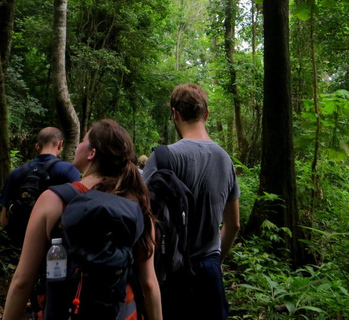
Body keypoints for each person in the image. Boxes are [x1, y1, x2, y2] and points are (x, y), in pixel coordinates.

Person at [3, 119, 162, 320]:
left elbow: (22, 281)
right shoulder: (136, 204)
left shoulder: (53, 201)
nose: (77, 145)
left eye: (83, 141)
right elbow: (149, 283)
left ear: (91, 153)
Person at [143, 83, 241, 320]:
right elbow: (234, 224)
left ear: (174, 114)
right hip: (209, 271)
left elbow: (142, 217)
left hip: (170, 271)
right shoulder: (225, 159)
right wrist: (216, 260)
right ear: (206, 114)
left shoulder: (163, 158)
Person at [0, 127, 80, 231]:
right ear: (60, 144)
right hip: (54, 239)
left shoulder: (16, 173)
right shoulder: (69, 170)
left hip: (20, 238)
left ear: (37, 146)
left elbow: (3, 219)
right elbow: (78, 207)